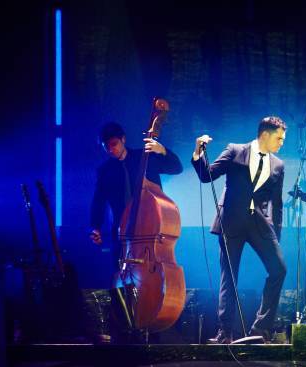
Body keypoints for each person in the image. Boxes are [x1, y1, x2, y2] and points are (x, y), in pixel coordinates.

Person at [191, 116, 287, 344]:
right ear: (265, 134)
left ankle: (261, 327)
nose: (281, 142)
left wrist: (276, 236)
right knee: (229, 277)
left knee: (279, 270)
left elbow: (277, 203)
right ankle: (225, 332)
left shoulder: (279, 165)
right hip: (232, 220)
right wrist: (198, 153)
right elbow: (207, 176)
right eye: (279, 138)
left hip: (260, 224)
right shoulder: (235, 151)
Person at [90, 122, 183, 272]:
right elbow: (98, 201)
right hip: (122, 231)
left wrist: (162, 150)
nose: (111, 150)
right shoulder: (104, 171)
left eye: (114, 144)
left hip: (151, 228)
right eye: (106, 147)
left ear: (123, 140)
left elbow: (177, 168)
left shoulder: (144, 157)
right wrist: (96, 227)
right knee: (121, 276)